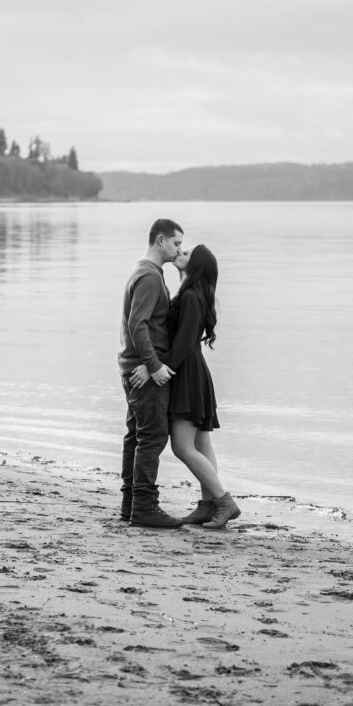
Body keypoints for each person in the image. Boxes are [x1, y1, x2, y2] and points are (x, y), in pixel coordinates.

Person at [131, 244, 240, 530]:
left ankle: (224, 501)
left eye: (187, 253)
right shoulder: (191, 293)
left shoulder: (191, 297)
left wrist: (153, 366)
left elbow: (183, 344)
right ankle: (207, 506)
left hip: (187, 374)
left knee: (182, 447)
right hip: (193, 371)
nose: (181, 252)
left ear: (196, 267)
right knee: (202, 445)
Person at [118, 219, 186, 528]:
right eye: (176, 244)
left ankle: (130, 504)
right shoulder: (148, 277)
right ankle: (145, 507)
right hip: (141, 372)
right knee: (153, 436)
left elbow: (144, 324)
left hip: (134, 368)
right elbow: (137, 324)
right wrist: (154, 365)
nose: (179, 250)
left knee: (137, 435)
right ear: (160, 240)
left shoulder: (146, 273)